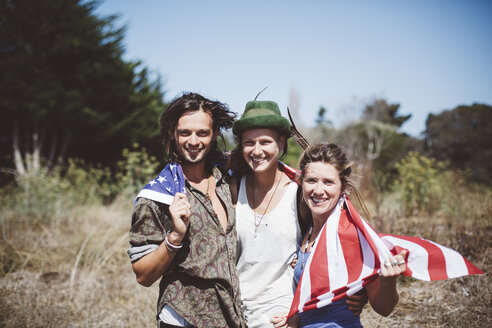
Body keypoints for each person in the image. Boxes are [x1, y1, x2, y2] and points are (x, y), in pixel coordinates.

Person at [228, 101, 367, 328]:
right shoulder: (233, 188)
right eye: (249, 143)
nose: (257, 150)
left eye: (265, 142)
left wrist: (358, 291)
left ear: (281, 143)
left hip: (280, 314)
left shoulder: (300, 193)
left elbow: (337, 235)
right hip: (236, 309)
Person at [128, 93, 246, 328]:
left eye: (202, 133)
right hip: (184, 317)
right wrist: (174, 238)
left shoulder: (224, 176)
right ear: (173, 134)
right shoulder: (158, 196)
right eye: (185, 133)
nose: (194, 141)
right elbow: (143, 275)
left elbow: (261, 159)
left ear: (213, 136)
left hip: (230, 316)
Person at [292, 143, 407, 328]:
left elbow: (384, 309)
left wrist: (389, 281)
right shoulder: (305, 228)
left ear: (342, 186)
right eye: (311, 180)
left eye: (328, 182)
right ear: (301, 182)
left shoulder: (351, 235)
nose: (318, 190)